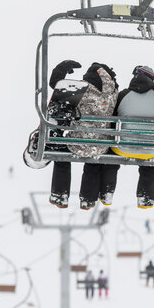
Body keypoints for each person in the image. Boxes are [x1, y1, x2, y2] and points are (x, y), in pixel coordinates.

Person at [47, 61, 119, 210]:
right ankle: (88, 199)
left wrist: (61, 68)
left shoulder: (81, 90)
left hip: (76, 144)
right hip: (100, 148)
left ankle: (60, 195)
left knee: (60, 155)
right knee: (93, 159)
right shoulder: (113, 94)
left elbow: (56, 85)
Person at [111, 66, 154, 208]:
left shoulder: (123, 95)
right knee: (151, 159)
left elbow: (112, 117)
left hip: (122, 147)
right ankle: (146, 197)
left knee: (109, 152)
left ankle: (106, 191)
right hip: (151, 151)